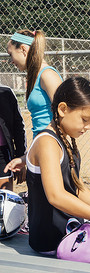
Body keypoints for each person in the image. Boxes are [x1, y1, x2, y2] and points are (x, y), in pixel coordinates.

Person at [24, 77, 90, 253]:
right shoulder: (47, 142)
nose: (88, 127)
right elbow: (56, 196)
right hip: (51, 242)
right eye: (84, 119)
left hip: (69, 235)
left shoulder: (64, 140)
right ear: (63, 109)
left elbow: (78, 186)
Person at [4, 29, 63, 174]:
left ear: (23, 49)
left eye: (11, 54)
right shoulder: (35, 76)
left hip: (50, 150)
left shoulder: (47, 75)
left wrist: (41, 149)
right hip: (42, 149)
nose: (11, 61)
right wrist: (27, 157)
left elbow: (64, 116)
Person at [0, 84, 26, 191]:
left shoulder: (5, 92)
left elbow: (18, 127)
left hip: (2, 155)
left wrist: (20, 157)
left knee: (5, 200)